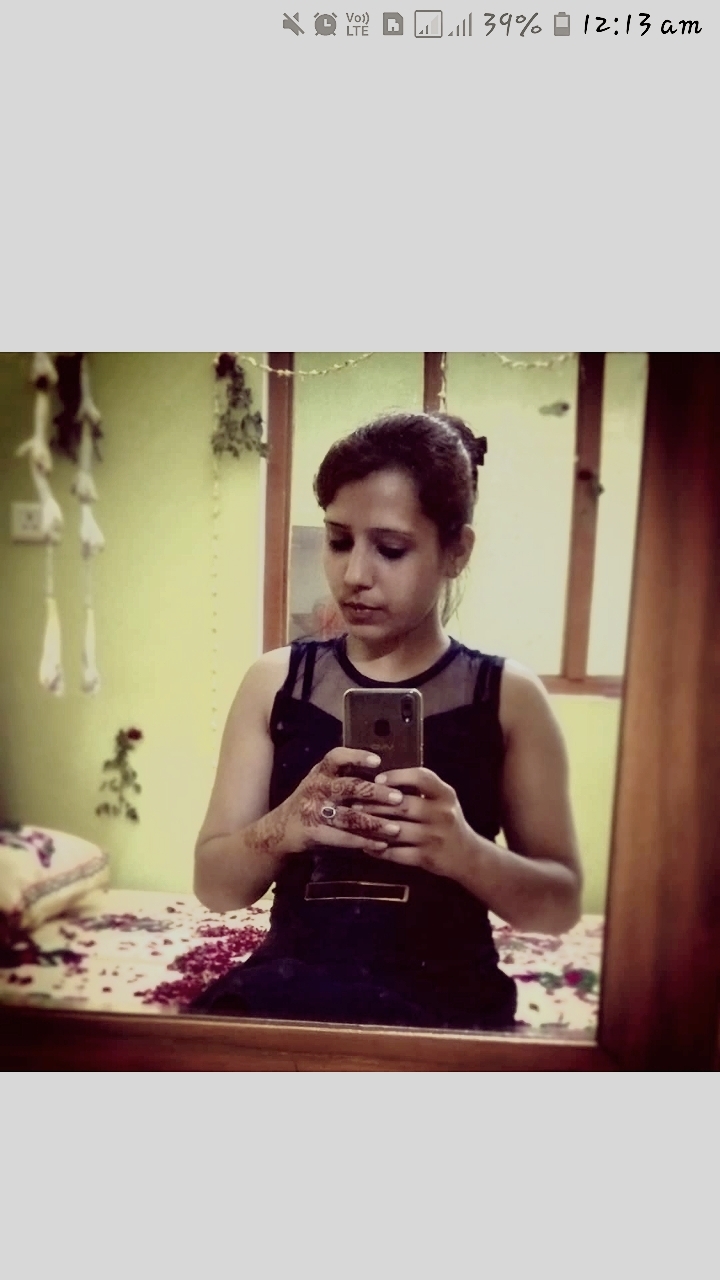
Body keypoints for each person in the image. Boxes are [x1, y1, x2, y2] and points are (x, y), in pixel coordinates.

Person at [190, 411, 583, 1030]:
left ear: (456, 551)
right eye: (338, 540)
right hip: (289, 996)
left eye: (391, 549)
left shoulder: (508, 697)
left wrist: (463, 852)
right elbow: (215, 887)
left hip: (447, 1008)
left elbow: (558, 906)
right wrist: (286, 825)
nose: (354, 575)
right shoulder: (274, 683)